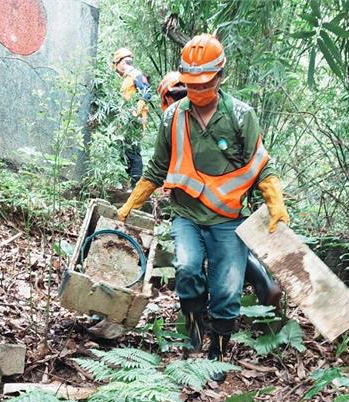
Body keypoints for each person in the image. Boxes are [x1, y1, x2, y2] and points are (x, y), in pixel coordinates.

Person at [117, 34, 290, 381]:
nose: (197, 91)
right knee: (188, 268)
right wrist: (130, 205)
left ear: (220, 76)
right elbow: (155, 169)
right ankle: (194, 327)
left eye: (205, 84)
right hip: (186, 215)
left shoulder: (241, 117)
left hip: (227, 219)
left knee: (227, 287)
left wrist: (275, 203)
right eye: (191, 84)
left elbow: (261, 166)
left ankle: (219, 349)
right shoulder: (172, 118)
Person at [156, 70, 284, 312]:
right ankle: (261, 283)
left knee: (211, 249)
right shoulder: (213, 111)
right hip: (232, 196)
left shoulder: (180, 114)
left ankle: (211, 305)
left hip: (214, 199)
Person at [112, 48, 152, 188]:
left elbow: (146, 94)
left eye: (116, 66)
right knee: (126, 151)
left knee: (133, 153)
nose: (116, 70)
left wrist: (135, 111)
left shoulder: (136, 75)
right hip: (126, 120)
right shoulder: (128, 78)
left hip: (134, 121)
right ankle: (130, 184)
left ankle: (136, 186)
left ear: (121, 63)